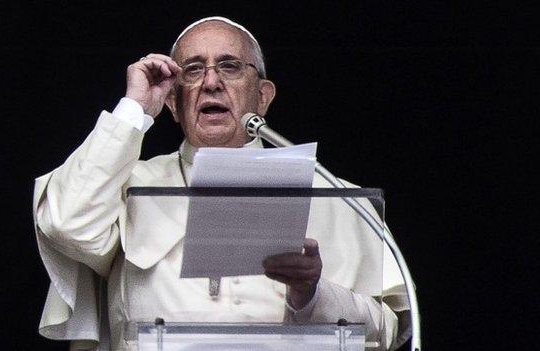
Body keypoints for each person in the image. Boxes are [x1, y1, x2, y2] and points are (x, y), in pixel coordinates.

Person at [33, 17, 410, 350]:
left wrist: (312, 294)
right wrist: (134, 109)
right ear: (174, 105)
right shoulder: (129, 185)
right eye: (192, 71)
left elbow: (386, 330)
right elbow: (65, 224)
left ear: (263, 97)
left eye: (229, 67)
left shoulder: (335, 195)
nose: (211, 82)